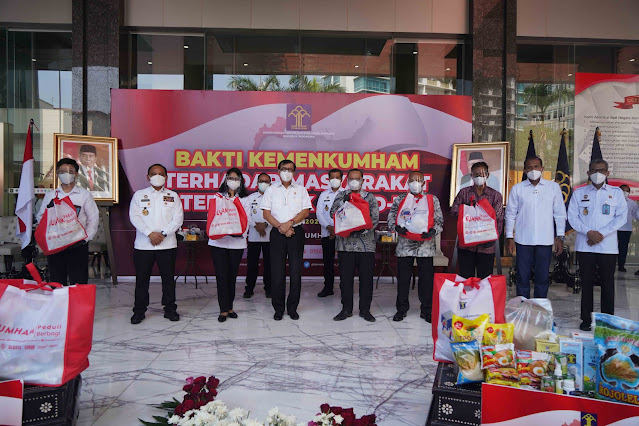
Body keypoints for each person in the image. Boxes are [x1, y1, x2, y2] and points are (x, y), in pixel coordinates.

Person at [568, 159, 627, 331]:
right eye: (594, 170)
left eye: (601, 170)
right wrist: (588, 233)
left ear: (607, 173)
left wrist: (601, 234)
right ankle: (586, 319)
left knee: (607, 284)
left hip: (607, 247)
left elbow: (621, 217)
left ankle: (607, 322)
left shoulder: (616, 193)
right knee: (586, 284)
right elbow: (572, 217)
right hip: (585, 245)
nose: (598, 173)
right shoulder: (579, 193)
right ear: (588, 173)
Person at [129, 164, 184, 324]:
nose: (157, 176)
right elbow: (134, 217)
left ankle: (170, 309)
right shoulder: (139, 195)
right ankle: (139, 310)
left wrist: (163, 234)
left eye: (161, 174)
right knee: (142, 279)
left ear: (166, 177)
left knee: (168, 279)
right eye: (153, 174)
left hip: (167, 245)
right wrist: (149, 233)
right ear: (148, 177)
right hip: (143, 245)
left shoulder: (173, 196)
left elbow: (178, 219)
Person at [505, 156, 566, 298]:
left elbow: (560, 214)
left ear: (542, 168)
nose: (533, 170)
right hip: (523, 240)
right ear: (525, 170)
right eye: (530, 167)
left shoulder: (553, 187)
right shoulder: (517, 189)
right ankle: (523, 307)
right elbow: (510, 214)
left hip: (545, 240)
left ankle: (540, 307)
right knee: (522, 278)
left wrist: (560, 237)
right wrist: (509, 237)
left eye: (536, 166)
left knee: (542, 278)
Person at [387, 171, 443, 322]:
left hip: (425, 247)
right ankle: (401, 309)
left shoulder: (432, 199)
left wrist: (433, 231)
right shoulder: (400, 199)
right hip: (405, 246)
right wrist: (396, 227)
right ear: (407, 183)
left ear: (424, 183)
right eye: (412, 180)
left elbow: (439, 221)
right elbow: (391, 217)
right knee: (403, 279)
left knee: (426, 280)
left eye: (418, 180)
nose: (415, 183)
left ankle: (427, 310)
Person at [261, 160, 311, 321]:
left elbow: (305, 212)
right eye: (284, 169)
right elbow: (266, 214)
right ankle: (278, 308)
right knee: (277, 272)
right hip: (277, 233)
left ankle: (292, 308)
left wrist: (289, 224)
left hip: (296, 232)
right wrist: (281, 227)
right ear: (278, 171)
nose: (287, 172)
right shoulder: (271, 190)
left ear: (294, 172)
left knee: (296, 272)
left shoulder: (301, 190)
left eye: (290, 169)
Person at [36, 158, 99, 286]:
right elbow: (41, 216)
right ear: (57, 174)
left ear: (76, 174)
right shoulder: (51, 195)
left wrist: (86, 238)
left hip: (77, 243)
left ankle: (78, 300)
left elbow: (93, 218)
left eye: (70, 171)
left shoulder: (84, 195)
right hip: (56, 243)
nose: (67, 174)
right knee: (56, 280)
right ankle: (59, 299)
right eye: (63, 171)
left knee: (79, 281)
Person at [330, 168, 379, 322]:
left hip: (366, 246)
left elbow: (375, 219)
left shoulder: (370, 197)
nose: (354, 181)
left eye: (357, 179)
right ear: (347, 181)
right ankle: (346, 309)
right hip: (345, 246)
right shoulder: (341, 195)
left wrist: (362, 230)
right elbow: (332, 213)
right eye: (351, 179)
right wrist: (343, 203)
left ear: (362, 181)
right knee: (345, 280)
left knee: (366, 279)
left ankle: (365, 310)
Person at [209, 168, 250, 322]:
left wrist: (236, 232)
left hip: (236, 243)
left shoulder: (244, 200)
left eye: (236, 178)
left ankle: (230, 307)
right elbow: (212, 217)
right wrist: (223, 230)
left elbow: (247, 220)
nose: (233, 181)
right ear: (225, 180)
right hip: (218, 243)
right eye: (230, 178)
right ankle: (223, 309)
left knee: (232, 276)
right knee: (221, 276)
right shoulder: (217, 197)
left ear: (241, 181)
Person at [451, 161, 504, 279]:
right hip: (466, 245)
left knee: (484, 280)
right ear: (471, 176)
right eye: (476, 174)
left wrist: (493, 239)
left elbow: (499, 219)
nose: (479, 177)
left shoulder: (495, 195)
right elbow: (454, 211)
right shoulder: (464, 193)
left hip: (487, 247)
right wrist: (467, 210)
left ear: (487, 175)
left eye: (482, 174)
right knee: (466, 279)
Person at [315, 168, 344, 297]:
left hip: (343, 234)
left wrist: (336, 229)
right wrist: (329, 227)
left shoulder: (346, 194)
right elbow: (319, 213)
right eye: (332, 177)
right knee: (328, 262)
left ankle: (345, 287)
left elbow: (348, 213)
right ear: (328, 179)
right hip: (327, 233)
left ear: (341, 179)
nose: (334, 180)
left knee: (344, 263)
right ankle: (328, 288)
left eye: (337, 177)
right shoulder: (323, 194)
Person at [244, 173, 273, 299]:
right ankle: (249, 289)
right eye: (261, 181)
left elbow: (276, 214)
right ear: (257, 183)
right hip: (254, 236)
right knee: (252, 264)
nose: (263, 184)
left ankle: (269, 289)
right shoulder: (250, 198)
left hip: (269, 236)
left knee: (269, 265)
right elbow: (246, 215)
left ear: (270, 184)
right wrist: (256, 226)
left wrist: (265, 224)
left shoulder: (273, 198)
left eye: (266, 181)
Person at [617, 184, 638, 272]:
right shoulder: (613, 201)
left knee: (623, 248)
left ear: (629, 192)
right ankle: (609, 265)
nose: (625, 193)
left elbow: (635, 214)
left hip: (626, 229)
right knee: (611, 248)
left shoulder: (632, 203)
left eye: (627, 191)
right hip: (614, 229)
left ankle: (621, 265)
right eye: (623, 191)